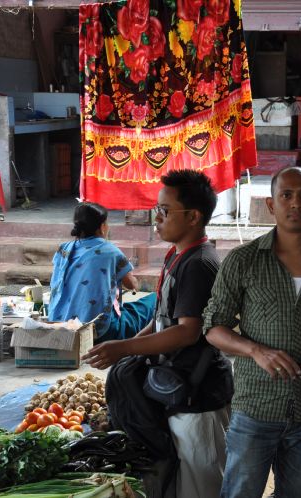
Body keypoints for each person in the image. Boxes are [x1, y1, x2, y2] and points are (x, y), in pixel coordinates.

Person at [202, 167, 301, 498]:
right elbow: (213, 327)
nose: (296, 203)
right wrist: (256, 351)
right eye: (286, 195)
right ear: (272, 205)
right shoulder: (243, 261)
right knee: (240, 492)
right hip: (256, 406)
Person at [82, 170, 233, 498]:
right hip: (178, 386)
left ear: (193, 217)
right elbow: (161, 320)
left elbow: (187, 332)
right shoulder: (177, 256)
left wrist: (124, 349)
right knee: (180, 478)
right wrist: (128, 346)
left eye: (165, 210)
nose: (158, 217)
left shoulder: (199, 264)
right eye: (157, 209)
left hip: (200, 393)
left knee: (201, 484)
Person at [48, 202, 155, 342]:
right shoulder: (110, 251)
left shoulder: (63, 249)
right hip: (100, 331)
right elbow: (132, 285)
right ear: (102, 227)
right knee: (154, 300)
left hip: (60, 325)